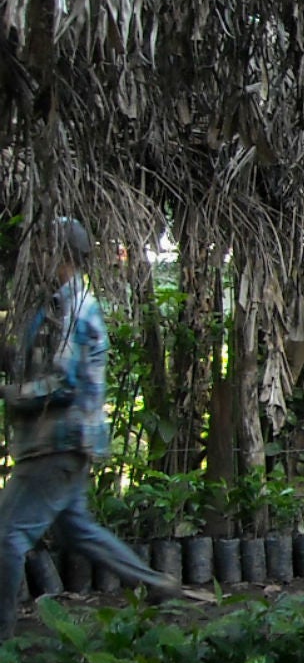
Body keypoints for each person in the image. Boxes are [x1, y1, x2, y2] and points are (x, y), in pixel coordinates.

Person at [0, 218, 194, 637]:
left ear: (59, 255)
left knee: (7, 536)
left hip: (57, 442)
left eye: (41, 249)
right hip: (67, 442)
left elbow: (63, 382)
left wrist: (12, 393)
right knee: (78, 530)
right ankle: (155, 583)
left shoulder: (73, 307)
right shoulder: (61, 303)